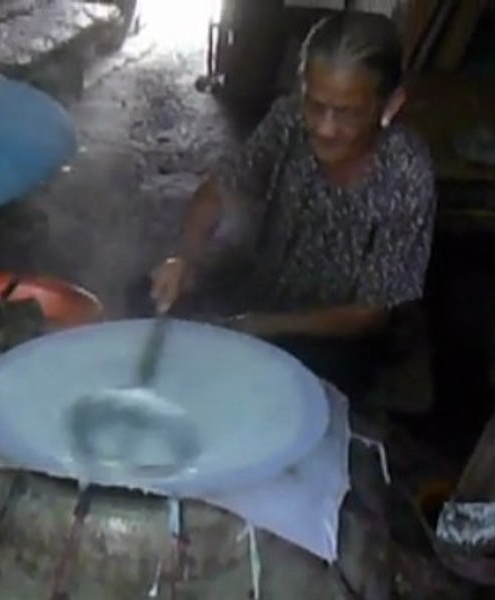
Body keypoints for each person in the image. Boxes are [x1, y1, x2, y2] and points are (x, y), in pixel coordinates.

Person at [147, 10, 436, 398]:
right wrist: (184, 258)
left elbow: (370, 313)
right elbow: (220, 189)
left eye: (347, 112)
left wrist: (260, 327)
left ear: (390, 105)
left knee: (285, 386)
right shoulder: (288, 119)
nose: (325, 127)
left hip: (334, 336)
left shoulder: (406, 172)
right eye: (316, 105)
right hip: (263, 290)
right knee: (150, 298)